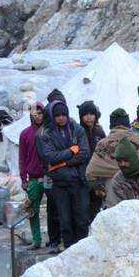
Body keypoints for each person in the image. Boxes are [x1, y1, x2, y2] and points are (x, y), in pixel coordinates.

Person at [36, 98, 92, 251]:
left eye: (63, 114)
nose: (61, 118)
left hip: (78, 181)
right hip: (60, 184)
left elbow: (85, 153)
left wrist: (64, 163)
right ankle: (69, 251)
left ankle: (83, 251)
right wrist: (71, 151)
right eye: (57, 115)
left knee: (81, 220)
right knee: (65, 221)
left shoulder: (77, 130)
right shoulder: (48, 134)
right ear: (53, 117)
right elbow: (50, 157)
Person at [18, 102, 47, 248]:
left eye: (40, 112)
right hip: (34, 179)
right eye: (34, 113)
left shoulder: (49, 131)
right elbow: (22, 158)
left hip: (50, 177)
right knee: (32, 210)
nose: (37, 116)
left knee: (55, 209)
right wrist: (24, 179)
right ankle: (36, 240)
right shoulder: (25, 134)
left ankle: (55, 239)